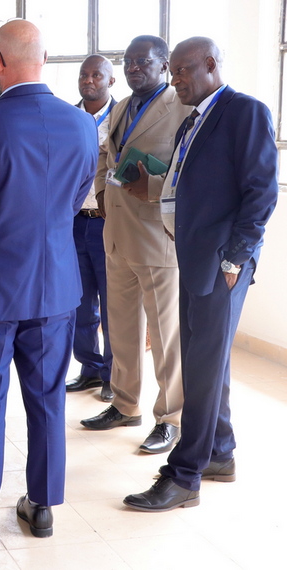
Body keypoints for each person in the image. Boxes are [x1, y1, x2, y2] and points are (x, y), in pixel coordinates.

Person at [0, 19, 97, 547]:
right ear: (44, 60)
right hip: (54, 287)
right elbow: (74, 202)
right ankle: (42, 507)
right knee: (48, 397)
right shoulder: (81, 126)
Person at [124, 37, 278, 512]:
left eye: (184, 71)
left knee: (201, 368)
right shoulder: (194, 119)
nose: (176, 80)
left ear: (211, 64)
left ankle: (184, 475)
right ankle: (219, 452)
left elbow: (261, 194)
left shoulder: (244, 112)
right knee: (209, 364)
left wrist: (234, 260)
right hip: (192, 256)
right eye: (172, 72)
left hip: (220, 266)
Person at [80, 35, 191, 455]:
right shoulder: (122, 107)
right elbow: (105, 157)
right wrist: (103, 194)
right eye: (127, 62)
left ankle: (171, 418)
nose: (133, 68)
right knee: (122, 328)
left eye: (143, 61)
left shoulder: (181, 107)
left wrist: (156, 187)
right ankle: (125, 404)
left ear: (164, 65)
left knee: (165, 336)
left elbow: (190, 171)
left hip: (158, 238)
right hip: (117, 236)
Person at [66, 54, 117, 402]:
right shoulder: (67, 117)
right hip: (71, 224)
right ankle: (89, 368)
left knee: (114, 307)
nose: (89, 79)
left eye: (97, 75)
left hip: (109, 225)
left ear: (111, 81)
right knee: (80, 304)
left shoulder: (124, 117)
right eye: (84, 74)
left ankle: (114, 376)